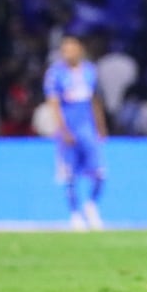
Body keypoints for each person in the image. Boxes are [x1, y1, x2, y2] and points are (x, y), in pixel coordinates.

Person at [44, 34, 108, 231]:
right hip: (68, 130)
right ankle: (74, 214)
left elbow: (95, 100)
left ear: (80, 49)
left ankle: (91, 205)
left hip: (87, 129)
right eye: (64, 49)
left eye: (71, 48)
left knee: (99, 174)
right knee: (70, 176)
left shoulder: (90, 71)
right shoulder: (55, 74)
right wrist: (63, 130)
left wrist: (101, 126)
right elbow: (53, 104)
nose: (68, 53)